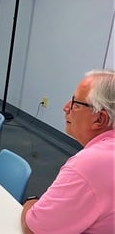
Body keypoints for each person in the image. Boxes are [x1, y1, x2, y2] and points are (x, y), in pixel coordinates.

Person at [21, 69, 115, 234]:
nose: (66, 107)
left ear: (100, 119)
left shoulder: (90, 164)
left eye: (75, 103)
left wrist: (31, 202)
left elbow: (36, 228)